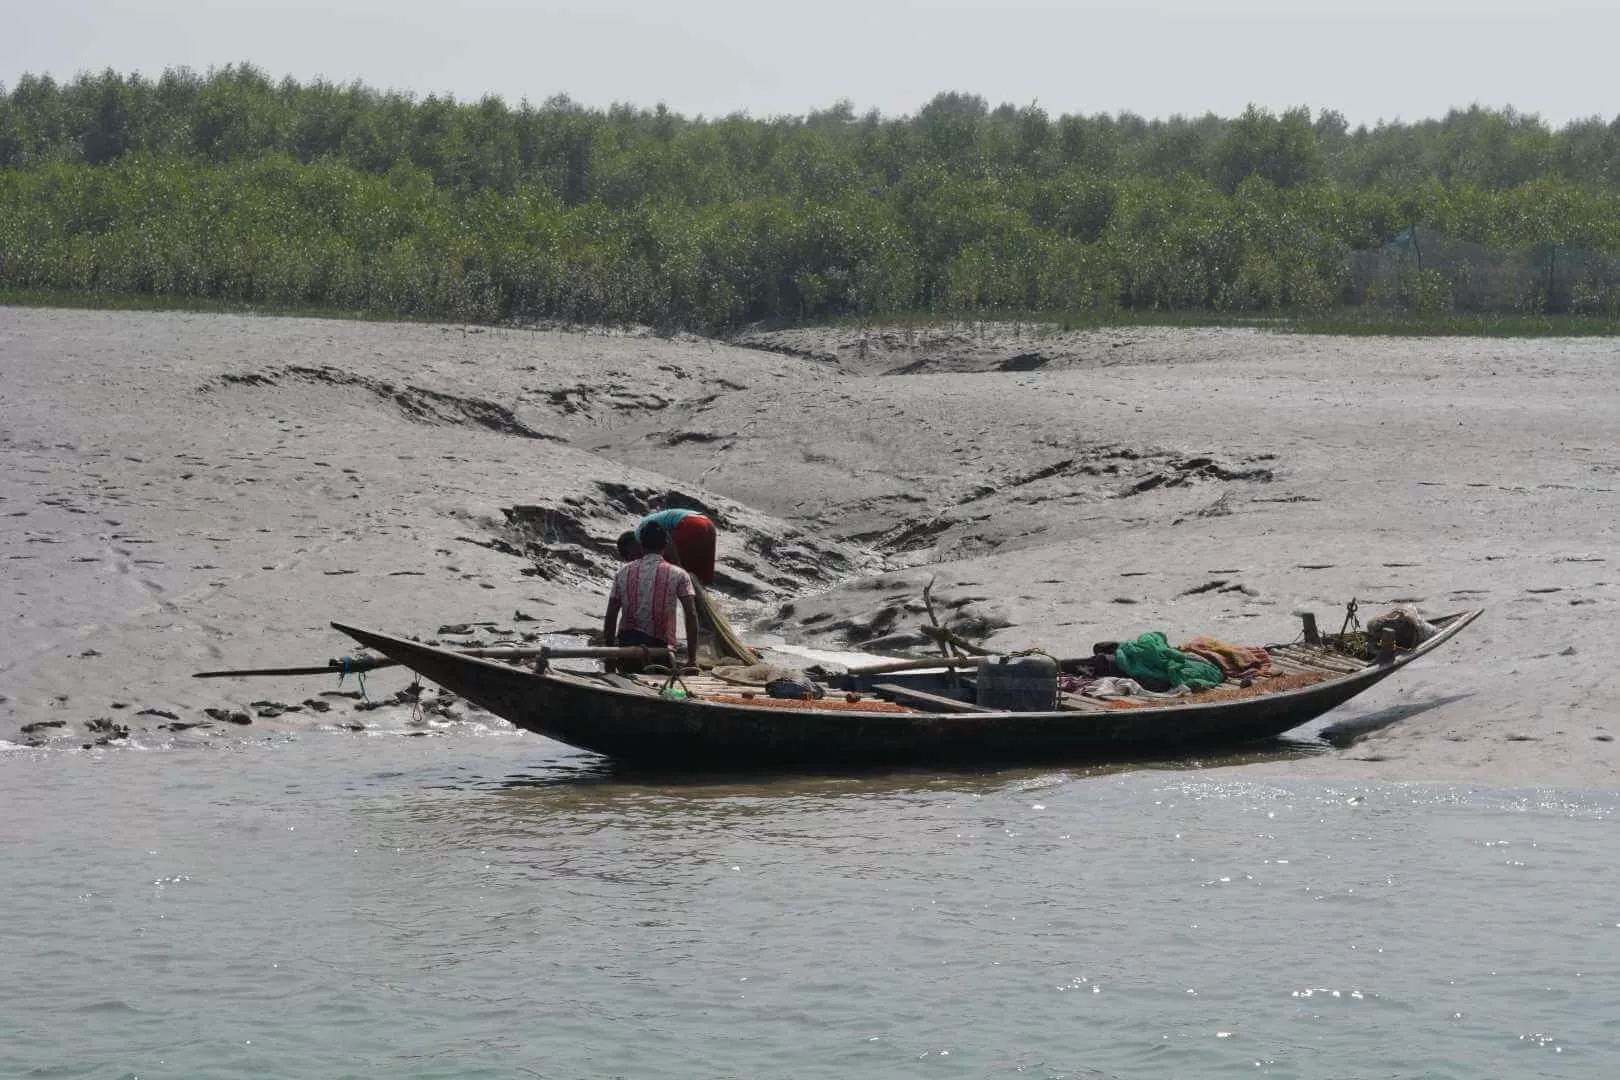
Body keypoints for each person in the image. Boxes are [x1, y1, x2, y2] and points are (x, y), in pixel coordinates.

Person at [603, 521, 699, 673]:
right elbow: (691, 614)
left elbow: (611, 614)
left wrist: (609, 652)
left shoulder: (623, 572)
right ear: (665, 544)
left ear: (641, 545)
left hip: (627, 648)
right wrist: (692, 659)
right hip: (660, 651)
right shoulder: (679, 574)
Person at [637, 507, 717, 587]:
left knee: (667, 567)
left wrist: (677, 562)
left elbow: (667, 540)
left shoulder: (640, 533)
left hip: (690, 524)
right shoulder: (652, 521)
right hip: (708, 524)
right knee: (701, 577)